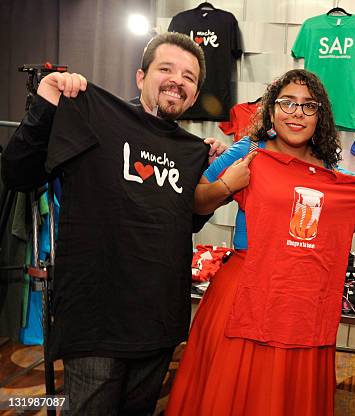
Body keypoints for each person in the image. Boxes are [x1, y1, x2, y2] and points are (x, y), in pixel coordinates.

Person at [1, 32, 226, 415]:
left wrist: (210, 177)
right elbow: (18, 173)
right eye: (166, 68)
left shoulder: (192, 151)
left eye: (189, 77)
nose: (178, 80)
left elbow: (183, 221)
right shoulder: (94, 117)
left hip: (159, 321)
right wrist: (46, 106)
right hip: (96, 320)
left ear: (195, 92)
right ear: (141, 77)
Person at [166, 69, 355, 416]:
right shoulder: (250, 151)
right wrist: (227, 185)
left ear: (320, 116)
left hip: (302, 299)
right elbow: (194, 200)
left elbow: (345, 220)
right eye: (287, 103)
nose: (297, 113)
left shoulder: (329, 170)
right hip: (246, 289)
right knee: (234, 391)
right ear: (271, 110)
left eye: (308, 106)